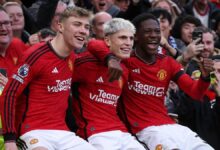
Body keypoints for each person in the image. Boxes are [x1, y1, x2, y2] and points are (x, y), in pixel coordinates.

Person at [87, 13, 214, 150]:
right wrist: (110, 59)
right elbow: (93, 44)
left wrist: (205, 77)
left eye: (157, 31)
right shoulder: (125, 60)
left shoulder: (167, 62)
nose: (154, 35)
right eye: (147, 31)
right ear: (136, 36)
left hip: (172, 126)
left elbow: (195, 92)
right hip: (145, 130)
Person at [0, 6, 96, 150]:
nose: (83, 30)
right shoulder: (35, 55)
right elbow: (9, 94)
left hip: (63, 133)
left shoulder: (72, 57)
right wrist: (9, 139)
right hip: (32, 132)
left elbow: (104, 46)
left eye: (86, 27)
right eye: (77, 24)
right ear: (60, 26)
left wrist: (109, 58)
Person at [72, 18, 146, 150]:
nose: (128, 43)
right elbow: (92, 44)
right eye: (123, 38)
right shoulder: (85, 63)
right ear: (107, 40)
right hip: (95, 133)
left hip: (122, 133)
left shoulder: (125, 70)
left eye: (131, 39)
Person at [172, 27, 220, 150]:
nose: (204, 47)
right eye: (212, 71)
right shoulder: (190, 72)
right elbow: (183, 114)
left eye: (208, 43)